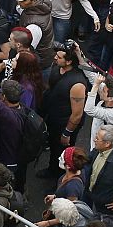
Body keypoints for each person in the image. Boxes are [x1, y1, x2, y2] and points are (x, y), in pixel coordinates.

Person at [40, 47, 88, 178]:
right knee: (53, 147)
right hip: (53, 118)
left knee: (62, 152)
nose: (55, 58)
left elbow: (77, 114)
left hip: (64, 124)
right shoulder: (56, 68)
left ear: (69, 62)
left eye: (59, 57)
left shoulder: (77, 84)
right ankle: (52, 169)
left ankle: (61, 176)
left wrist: (67, 133)